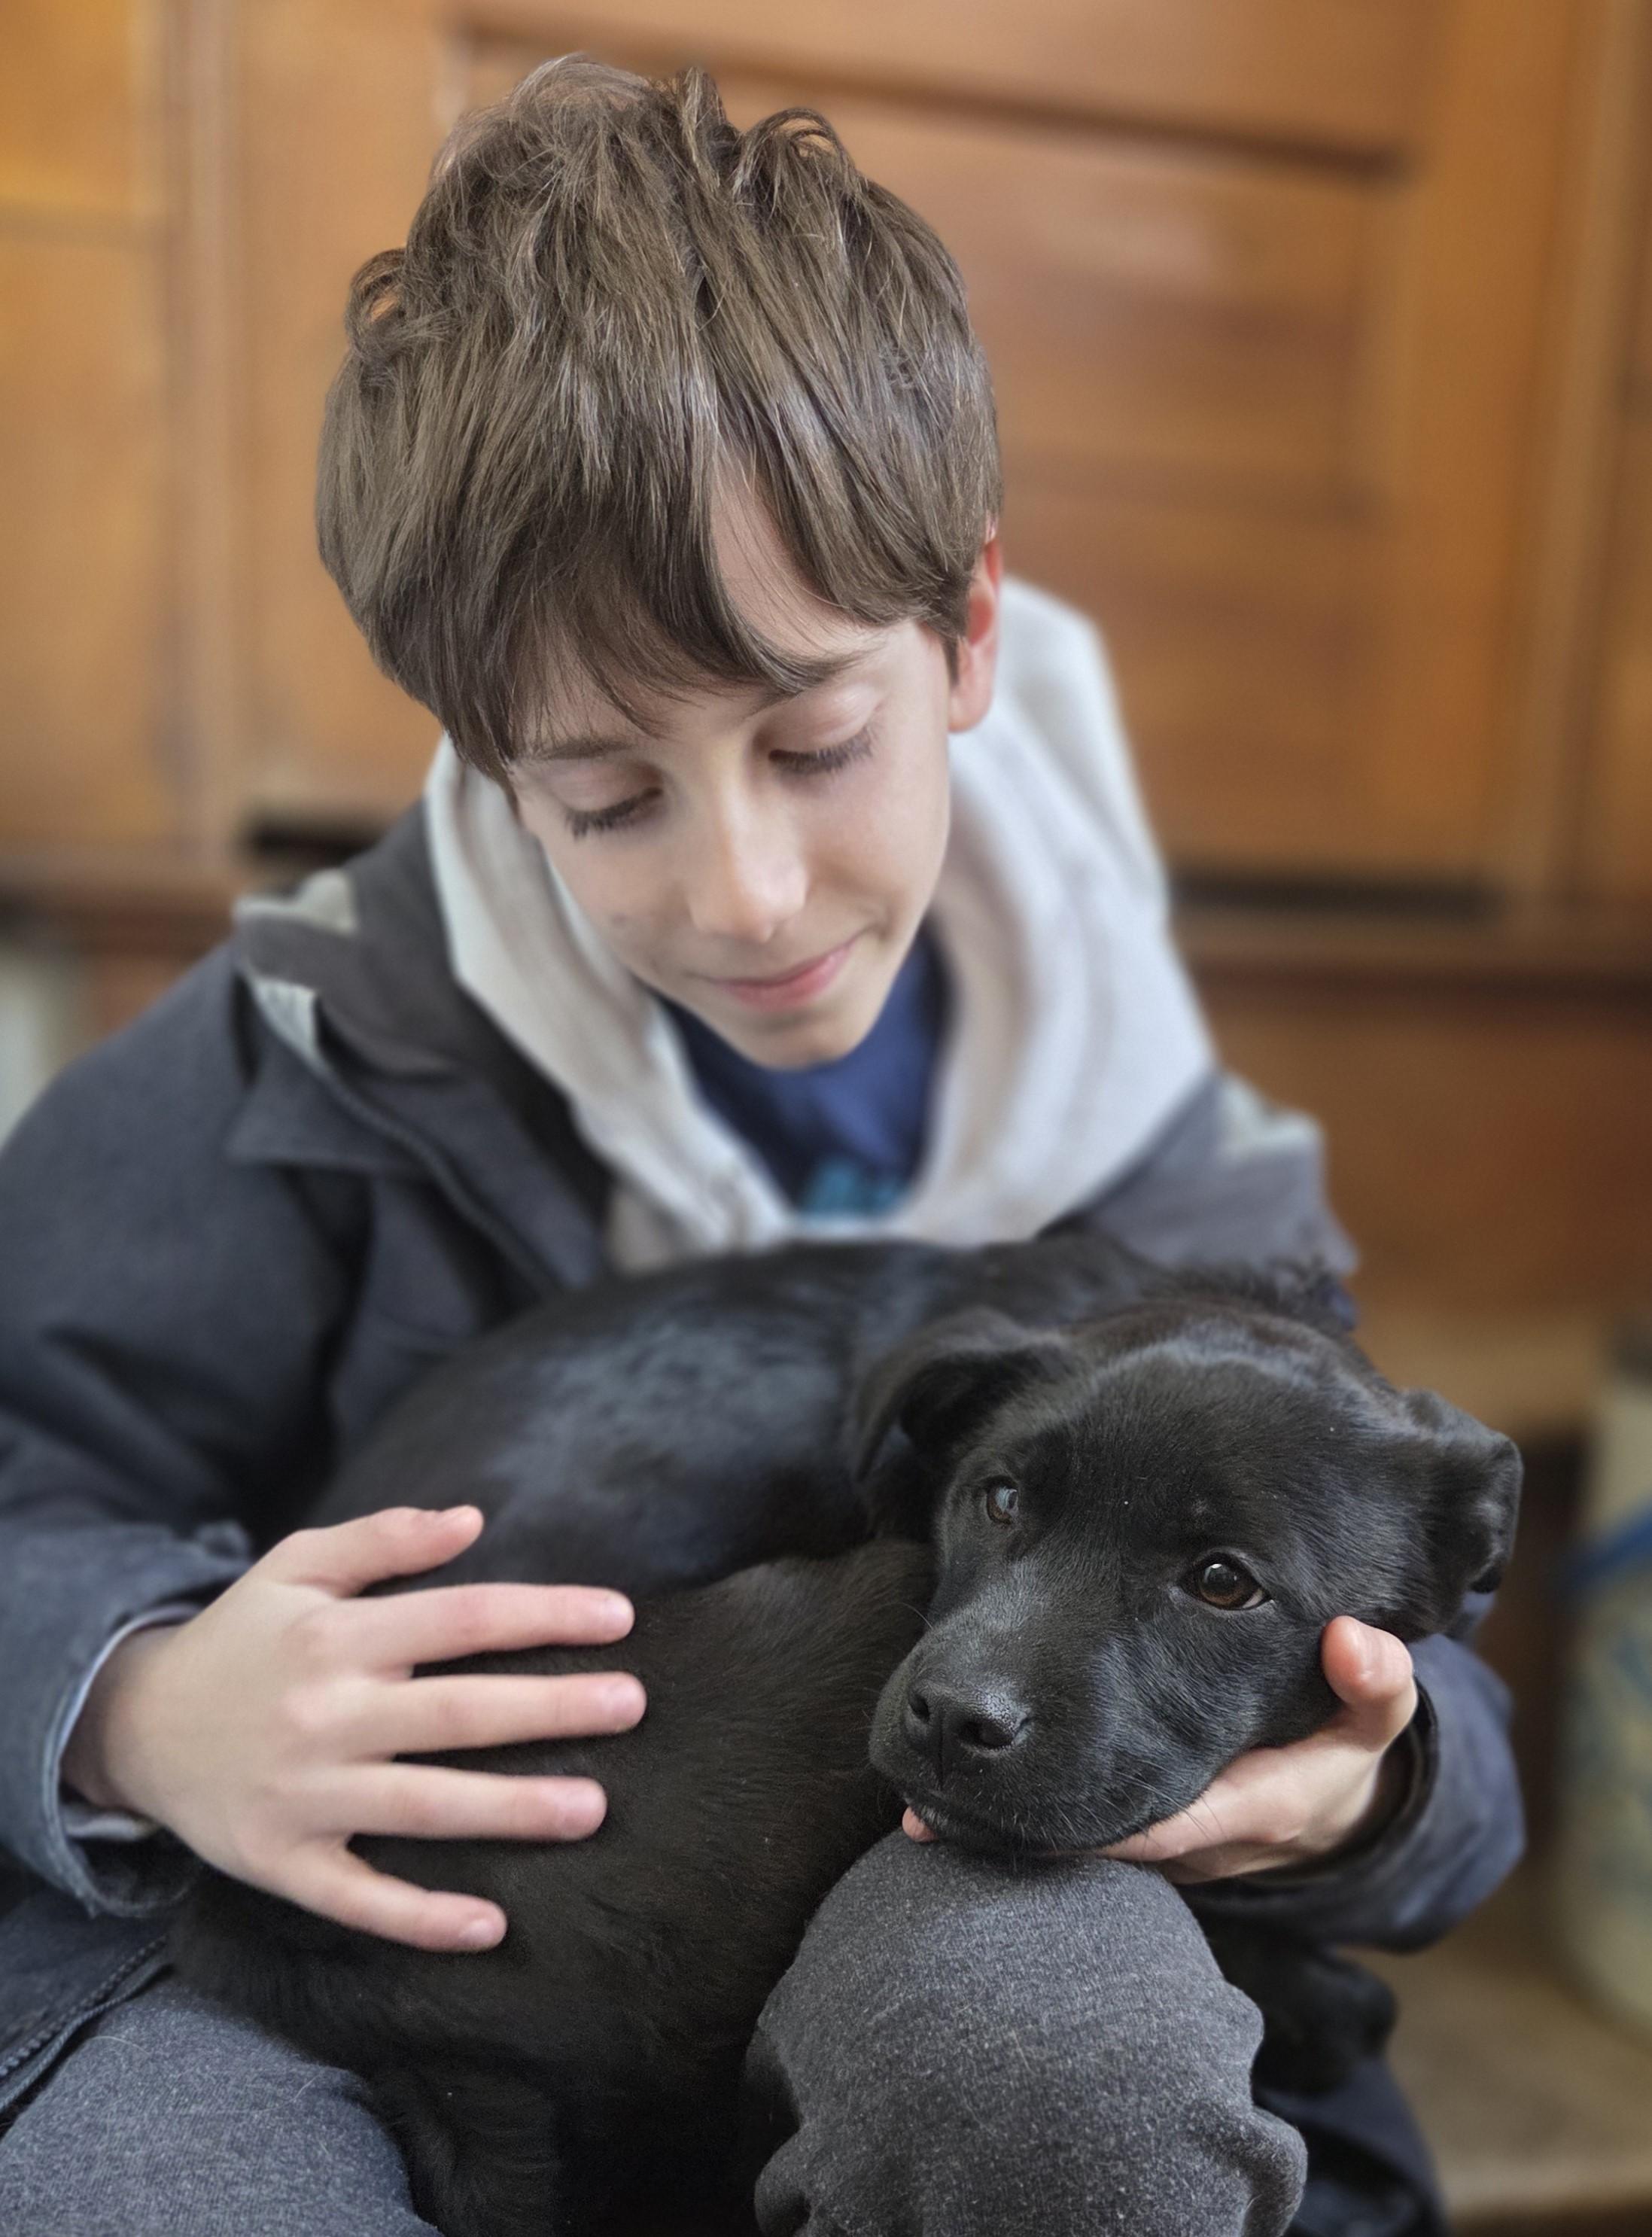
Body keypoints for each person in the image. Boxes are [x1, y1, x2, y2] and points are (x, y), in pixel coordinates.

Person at [0, 56, 1521, 2237]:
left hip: (940, 1865)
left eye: (816, 740)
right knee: (163, 2188)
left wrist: (1362, 1789)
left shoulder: (1163, 1143)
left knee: (1055, 2071)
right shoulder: (267, 1076)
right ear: (484, 758)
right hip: (314, 1928)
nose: (746, 889)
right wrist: (131, 1701)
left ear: (967, 627)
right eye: (609, 793)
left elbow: (1398, 1652)